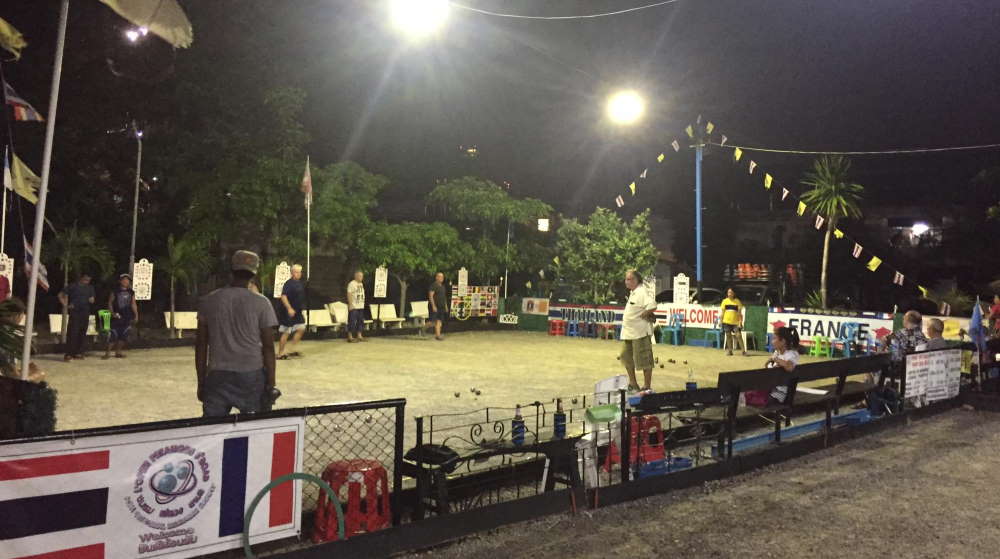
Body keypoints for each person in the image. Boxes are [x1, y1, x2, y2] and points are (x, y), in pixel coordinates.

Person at [196, 250, 279, 417]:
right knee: (253, 428)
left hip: (217, 373)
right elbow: (268, 347)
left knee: (212, 430)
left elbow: (201, 346)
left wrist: (201, 382)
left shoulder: (209, 301)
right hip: (251, 374)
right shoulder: (262, 303)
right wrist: (271, 384)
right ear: (253, 275)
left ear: (231, 271)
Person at [620, 269, 658, 392]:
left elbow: (653, 305)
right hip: (629, 333)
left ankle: (647, 386)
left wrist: (646, 313)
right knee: (625, 357)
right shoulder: (634, 292)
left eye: (629, 279)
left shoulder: (641, 291)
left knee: (644, 360)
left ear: (636, 280)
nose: (626, 282)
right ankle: (633, 383)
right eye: (626, 279)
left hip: (640, 333)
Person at [58, 273, 95, 361]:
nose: (87, 281)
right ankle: (68, 354)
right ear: (81, 278)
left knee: (82, 332)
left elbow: (92, 299)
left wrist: (92, 300)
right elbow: (60, 295)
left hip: (85, 311)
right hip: (75, 312)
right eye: (86, 279)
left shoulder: (90, 288)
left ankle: (79, 352)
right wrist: (66, 305)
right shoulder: (73, 286)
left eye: (89, 279)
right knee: (73, 332)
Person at [104, 273, 138, 359]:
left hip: (127, 316)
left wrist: (136, 315)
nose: (126, 282)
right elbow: (110, 303)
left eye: (127, 280)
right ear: (120, 281)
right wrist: (112, 313)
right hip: (117, 316)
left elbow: (133, 304)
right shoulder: (115, 291)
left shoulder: (131, 292)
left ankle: (118, 352)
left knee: (124, 334)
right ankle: (107, 353)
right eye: (124, 280)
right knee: (113, 334)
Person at [277, 264, 306, 359]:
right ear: (292, 273)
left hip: (297, 312)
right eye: (297, 272)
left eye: (300, 272)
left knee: (301, 328)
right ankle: (280, 353)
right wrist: (289, 308)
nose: (299, 274)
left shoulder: (299, 283)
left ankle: (290, 350)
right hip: (288, 312)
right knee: (286, 332)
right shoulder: (288, 283)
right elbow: (283, 296)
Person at [765, 326, 800, 404]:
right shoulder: (777, 352)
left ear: (783, 341)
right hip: (772, 390)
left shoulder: (791, 354)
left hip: (780, 395)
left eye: (774, 339)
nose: (772, 342)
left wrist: (776, 359)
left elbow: (789, 367)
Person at [720, 287, 746, 356]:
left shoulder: (737, 301)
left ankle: (743, 351)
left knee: (738, 335)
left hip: (736, 323)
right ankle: (730, 351)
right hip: (726, 322)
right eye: (728, 292)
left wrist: (740, 322)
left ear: (734, 293)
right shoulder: (724, 301)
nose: (729, 294)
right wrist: (721, 322)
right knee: (728, 336)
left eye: (731, 292)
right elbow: (722, 313)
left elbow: (740, 314)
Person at [346, 270, 367, 343]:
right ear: (356, 276)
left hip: (360, 306)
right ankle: (350, 337)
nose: (361, 277)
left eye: (362, 276)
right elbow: (349, 294)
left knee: (360, 321)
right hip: (354, 306)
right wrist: (350, 304)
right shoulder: (351, 284)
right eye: (360, 276)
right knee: (352, 321)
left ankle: (359, 335)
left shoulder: (361, 284)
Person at [428, 272, 448, 341]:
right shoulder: (433, 285)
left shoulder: (442, 286)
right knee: (432, 322)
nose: (441, 278)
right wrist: (433, 306)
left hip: (441, 306)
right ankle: (422, 329)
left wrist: (446, 306)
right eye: (439, 276)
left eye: (442, 277)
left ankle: (438, 336)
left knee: (439, 321)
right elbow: (431, 296)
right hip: (435, 306)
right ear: (436, 277)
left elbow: (444, 297)